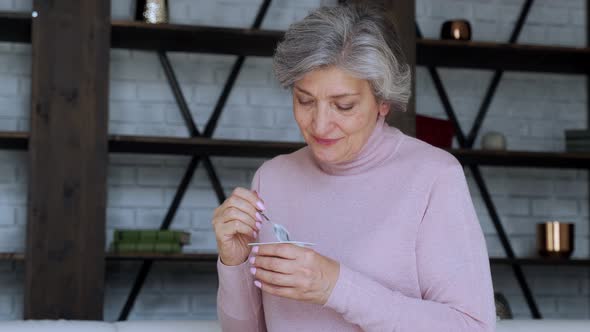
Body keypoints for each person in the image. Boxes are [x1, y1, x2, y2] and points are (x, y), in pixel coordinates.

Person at [212, 3, 495, 331]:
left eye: (343, 105)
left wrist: (336, 286)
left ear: (383, 102)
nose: (319, 124)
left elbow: (471, 326)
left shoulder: (434, 177)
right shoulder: (272, 178)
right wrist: (233, 262)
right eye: (305, 100)